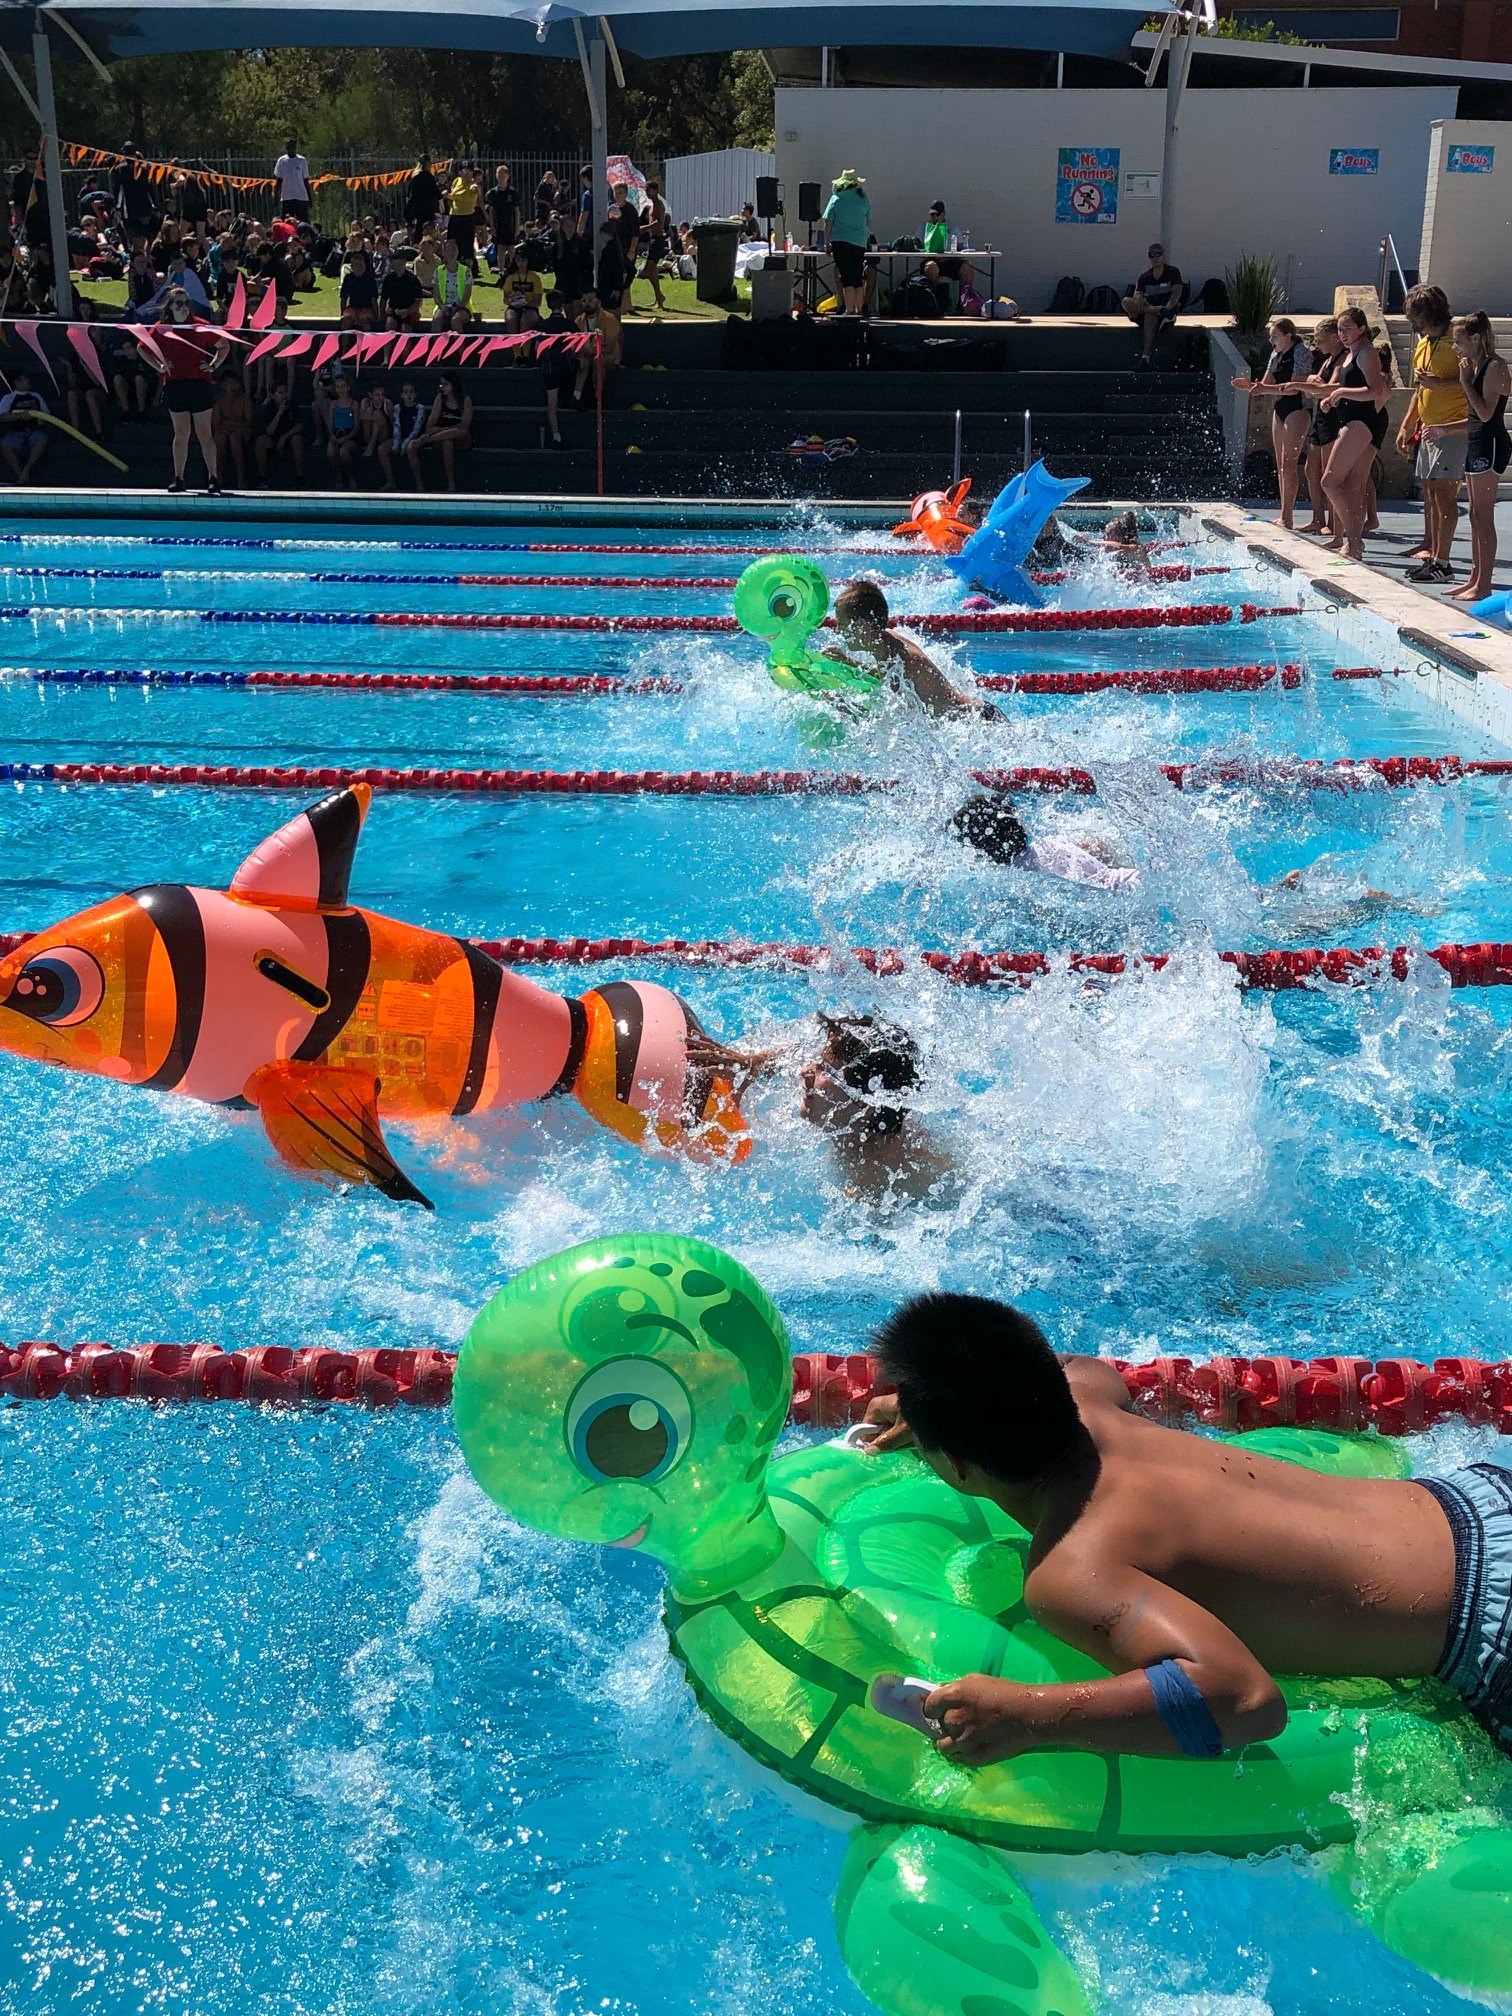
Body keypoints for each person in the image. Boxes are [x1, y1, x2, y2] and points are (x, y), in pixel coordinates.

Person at [861, 1292, 1510, 1768]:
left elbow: (1245, 1699)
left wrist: (1029, 1715)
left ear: (951, 1462)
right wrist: (932, 1405)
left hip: (1490, 1632)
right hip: (1480, 1498)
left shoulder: (1072, 1568)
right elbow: (1084, 1368)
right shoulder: (1084, 1394)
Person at [691, 1013, 957, 1209]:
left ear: (867, 1102)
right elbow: (797, 1055)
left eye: (824, 1071)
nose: (804, 1070)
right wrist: (753, 1065)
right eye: (817, 1061)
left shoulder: (880, 1188)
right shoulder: (861, 1125)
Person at [820, 580, 1002, 719]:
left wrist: (837, 703)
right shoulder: (886, 643)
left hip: (980, 721)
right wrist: (847, 661)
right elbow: (887, 676)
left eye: (842, 624)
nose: (838, 630)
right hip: (978, 713)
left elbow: (889, 720)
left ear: (862, 625)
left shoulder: (903, 658)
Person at [1397, 283, 1469, 585]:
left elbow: (1475, 381)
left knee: (1444, 495)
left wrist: (1442, 384)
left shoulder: (1457, 339)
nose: (1411, 322)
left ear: (1428, 312)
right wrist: (1407, 422)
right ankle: (1433, 551)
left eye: (1414, 315)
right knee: (1430, 492)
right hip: (1429, 428)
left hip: (1452, 426)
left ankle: (1443, 561)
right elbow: (1421, 388)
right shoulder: (1425, 343)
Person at [1319, 305, 1392, 562]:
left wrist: (1339, 393)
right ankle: (1354, 543)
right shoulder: (1351, 354)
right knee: (1352, 485)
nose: (1342, 333)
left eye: (1348, 328)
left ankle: (1354, 539)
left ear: (1362, 329)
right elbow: (1351, 387)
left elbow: (1374, 390)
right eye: (1339, 329)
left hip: (1361, 423)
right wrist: (1333, 398)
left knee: (1329, 481)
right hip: (1353, 419)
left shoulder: (1367, 353)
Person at [1448, 310, 1512, 604]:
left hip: (1492, 444)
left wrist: (1465, 382)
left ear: (1476, 338)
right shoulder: (1478, 366)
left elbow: (1486, 414)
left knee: (1483, 516)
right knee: (1474, 515)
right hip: (1477, 442)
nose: (1456, 348)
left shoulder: (1495, 367)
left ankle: (1484, 584)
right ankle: (1474, 577)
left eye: (1459, 342)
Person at [950, 794, 1140, 891]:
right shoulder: (1050, 842)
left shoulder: (1015, 878)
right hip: (1132, 878)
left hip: (1122, 898)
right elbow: (1096, 846)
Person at [146, 288, 230, 494]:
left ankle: (213, 477)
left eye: (185, 303)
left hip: (199, 384)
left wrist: (213, 365)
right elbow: (142, 347)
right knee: (181, 433)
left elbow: (224, 346)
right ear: (170, 306)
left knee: (204, 433)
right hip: (175, 385)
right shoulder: (162, 328)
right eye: (178, 303)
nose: (183, 307)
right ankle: (178, 478)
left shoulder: (200, 326)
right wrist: (159, 366)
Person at [1231, 317, 1312, 531]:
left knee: (1289, 462)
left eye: (1275, 336)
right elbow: (1266, 383)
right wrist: (1249, 385)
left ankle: (1288, 515)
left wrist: (1264, 390)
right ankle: (1283, 513)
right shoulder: (1275, 354)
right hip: (1280, 408)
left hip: (1297, 407)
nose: (1271, 340)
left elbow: (1295, 387)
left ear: (1288, 336)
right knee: (1280, 464)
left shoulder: (1301, 352)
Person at [1300, 317, 1344, 537]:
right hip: (1320, 417)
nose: (1317, 344)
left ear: (1335, 338)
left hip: (1333, 418)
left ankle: (1333, 522)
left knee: (1329, 472)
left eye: (1320, 340)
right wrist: (1311, 383)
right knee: (1311, 469)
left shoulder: (1341, 359)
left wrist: (1313, 385)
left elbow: (1328, 388)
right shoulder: (1327, 360)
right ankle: (1318, 518)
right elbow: (1315, 389)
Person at [1121, 244, 1185, 368]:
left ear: (1163, 256)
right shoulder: (1144, 277)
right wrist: (1140, 299)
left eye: (1158, 254)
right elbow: (1137, 294)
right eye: (1152, 255)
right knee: (1126, 301)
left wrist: (1168, 307)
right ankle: (1155, 310)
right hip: (1150, 309)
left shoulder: (1172, 272)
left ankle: (1145, 358)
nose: (1155, 258)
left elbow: (1177, 293)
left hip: (1165, 314)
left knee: (1150, 316)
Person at [822, 169, 872, 319]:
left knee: (846, 276)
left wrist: (826, 243)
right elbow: (868, 221)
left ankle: (849, 310)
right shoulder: (864, 199)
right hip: (859, 242)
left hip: (841, 241)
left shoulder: (836, 198)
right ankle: (859, 309)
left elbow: (828, 222)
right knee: (857, 275)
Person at [411, 370, 472, 491]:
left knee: (459, 432)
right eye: (441, 384)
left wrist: (439, 432)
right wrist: (444, 432)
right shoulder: (440, 399)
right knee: (447, 441)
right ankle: (451, 483)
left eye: (445, 384)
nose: (442, 387)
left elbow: (464, 426)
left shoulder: (465, 400)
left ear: (453, 385)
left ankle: (427, 440)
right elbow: (430, 425)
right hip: (442, 438)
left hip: (460, 438)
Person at [537, 290, 575, 448]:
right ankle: (577, 396)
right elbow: (576, 347)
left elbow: (538, 347)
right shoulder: (570, 324)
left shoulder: (543, 325)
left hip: (550, 368)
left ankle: (556, 436)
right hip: (567, 366)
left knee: (551, 405)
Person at [253, 379, 308, 487]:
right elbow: (269, 431)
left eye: (285, 392)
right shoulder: (268, 408)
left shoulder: (293, 405)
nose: (284, 395)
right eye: (280, 393)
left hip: (288, 437)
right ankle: (262, 479)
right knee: (260, 442)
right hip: (273, 438)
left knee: (297, 440)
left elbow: (300, 425)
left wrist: (285, 437)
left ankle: (300, 478)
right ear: (273, 395)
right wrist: (279, 413)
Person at [572, 288, 620, 406]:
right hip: (586, 356)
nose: (587, 303)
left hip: (608, 358)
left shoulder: (609, 319)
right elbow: (574, 347)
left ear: (598, 302)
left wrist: (590, 350)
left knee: (597, 360)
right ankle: (576, 396)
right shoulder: (578, 321)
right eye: (584, 301)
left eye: (590, 300)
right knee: (581, 362)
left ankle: (597, 397)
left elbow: (609, 347)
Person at [0, 372, 50, 484]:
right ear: (17, 382)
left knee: (41, 441)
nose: (28, 381)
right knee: (6, 446)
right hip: (15, 432)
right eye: (25, 379)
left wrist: (42, 419)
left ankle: (27, 469)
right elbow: (2, 417)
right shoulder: (9, 398)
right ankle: (20, 475)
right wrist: (20, 415)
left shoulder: (36, 396)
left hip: (34, 431)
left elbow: (47, 414)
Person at [210, 369, 255, 488]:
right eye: (229, 383)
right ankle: (217, 478)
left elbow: (248, 422)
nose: (232, 386)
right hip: (224, 431)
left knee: (234, 438)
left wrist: (231, 427)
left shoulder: (245, 399)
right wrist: (227, 428)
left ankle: (241, 480)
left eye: (235, 383)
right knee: (220, 438)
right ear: (223, 385)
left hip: (241, 432)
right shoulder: (219, 400)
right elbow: (216, 424)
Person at [381, 378, 426, 489]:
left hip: (416, 439)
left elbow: (416, 429)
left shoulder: (420, 409)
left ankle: (419, 483)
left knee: (411, 449)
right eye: (405, 392)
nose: (409, 395)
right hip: (399, 437)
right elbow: (396, 426)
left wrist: (406, 443)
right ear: (401, 395)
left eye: (411, 392)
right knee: (381, 450)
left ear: (416, 394)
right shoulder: (397, 408)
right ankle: (391, 481)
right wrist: (397, 444)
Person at [637, 179, 670, 312]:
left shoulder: (659, 205)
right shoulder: (650, 205)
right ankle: (658, 296)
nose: (646, 192)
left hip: (657, 240)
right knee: (651, 270)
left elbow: (658, 223)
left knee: (648, 270)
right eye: (645, 190)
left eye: (648, 190)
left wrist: (643, 228)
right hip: (652, 239)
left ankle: (660, 295)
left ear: (655, 191)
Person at [324, 374, 361, 488]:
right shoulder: (333, 404)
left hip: (350, 436)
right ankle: (338, 477)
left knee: (344, 452)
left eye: (343, 386)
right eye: (338, 386)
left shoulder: (354, 404)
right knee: (330, 452)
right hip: (336, 434)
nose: (341, 389)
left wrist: (346, 437)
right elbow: (330, 424)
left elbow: (356, 427)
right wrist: (332, 436)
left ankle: (350, 477)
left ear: (348, 387)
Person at [447, 160, 482, 273]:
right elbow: (452, 196)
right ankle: (452, 270)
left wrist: (449, 196)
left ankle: (468, 273)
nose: (466, 172)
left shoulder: (473, 185)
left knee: (467, 246)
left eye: (469, 170)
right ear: (460, 171)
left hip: (467, 217)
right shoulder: (456, 181)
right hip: (455, 215)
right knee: (452, 243)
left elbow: (473, 192)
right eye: (464, 170)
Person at [379, 245, 424, 331]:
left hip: (410, 312)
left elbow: (418, 301)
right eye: (394, 265)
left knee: (406, 328)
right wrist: (381, 315)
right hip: (394, 311)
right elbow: (383, 300)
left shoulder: (413, 279)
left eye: (399, 265)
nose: (397, 268)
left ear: (404, 263)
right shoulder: (389, 279)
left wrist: (407, 311)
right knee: (389, 325)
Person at [431, 239, 473, 331]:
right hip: (443, 306)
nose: (452, 252)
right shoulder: (438, 271)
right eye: (449, 250)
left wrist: (458, 307)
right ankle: (437, 345)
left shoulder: (466, 271)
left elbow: (467, 293)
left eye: (454, 249)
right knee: (437, 321)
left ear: (458, 252)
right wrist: (442, 307)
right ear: (444, 253)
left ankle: (459, 345)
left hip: (462, 307)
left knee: (456, 321)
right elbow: (436, 294)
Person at [501, 243, 543, 333]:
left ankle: (526, 347)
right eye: (518, 260)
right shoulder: (511, 277)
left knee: (525, 322)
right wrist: (513, 300)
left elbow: (538, 302)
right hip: (514, 307)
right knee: (510, 320)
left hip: (530, 308)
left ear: (528, 261)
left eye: (523, 260)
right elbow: (505, 299)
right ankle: (515, 347)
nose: (520, 263)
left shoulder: (534, 278)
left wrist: (525, 302)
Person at [485, 164, 520, 272]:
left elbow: (517, 211)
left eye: (503, 176)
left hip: (510, 223)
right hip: (498, 224)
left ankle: (513, 269)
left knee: (511, 248)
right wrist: (492, 227)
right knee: (500, 248)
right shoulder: (492, 193)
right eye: (498, 176)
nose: (500, 178)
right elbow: (491, 211)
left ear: (507, 177)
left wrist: (517, 227)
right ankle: (501, 271)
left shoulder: (512, 192)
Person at [594, 219, 631, 316]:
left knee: (610, 314)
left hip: (609, 288)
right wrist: (623, 286)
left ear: (604, 233)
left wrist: (616, 288)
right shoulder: (617, 249)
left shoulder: (609, 250)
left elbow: (614, 270)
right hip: (614, 288)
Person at [338, 247, 379, 330]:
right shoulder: (348, 278)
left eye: (361, 265)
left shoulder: (370, 279)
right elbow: (343, 298)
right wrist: (342, 313)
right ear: (352, 266)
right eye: (356, 265)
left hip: (367, 308)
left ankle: (366, 343)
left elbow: (374, 300)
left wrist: (376, 315)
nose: (359, 267)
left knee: (365, 321)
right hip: (352, 307)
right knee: (346, 320)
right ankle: (344, 343)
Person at [273, 139, 310, 222]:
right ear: (286, 148)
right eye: (289, 147)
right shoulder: (281, 161)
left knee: (303, 222)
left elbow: (305, 180)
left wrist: (309, 198)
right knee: (287, 222)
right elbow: (279, 180)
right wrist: (276, 196)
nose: (291, 149)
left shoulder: (302, 160)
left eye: (293, 147)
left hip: (301, 197)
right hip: (287, 197)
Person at [406, 155, 441, 240]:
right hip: (427, 211)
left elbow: (410, 195)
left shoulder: (414, 177)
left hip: (417, 212)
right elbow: (436, 193)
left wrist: (408, 214)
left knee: (417, 234)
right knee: (428, 235)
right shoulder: (429, 177)